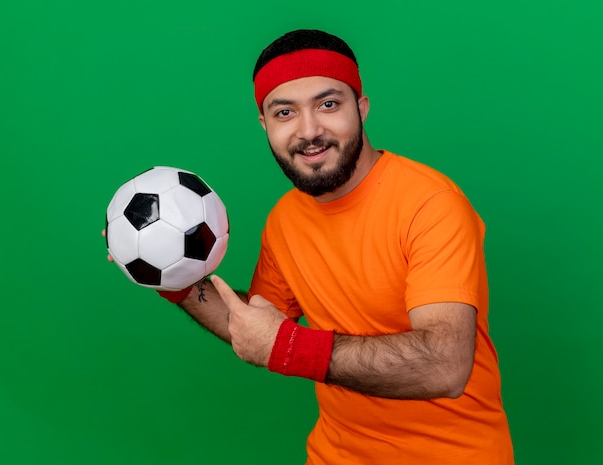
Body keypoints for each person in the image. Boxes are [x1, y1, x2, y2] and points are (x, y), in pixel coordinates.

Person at [110, 29, 514, 464]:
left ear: (361, 109)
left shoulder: (431, 205)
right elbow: (256, 328)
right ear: (265, 125)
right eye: (285, 112)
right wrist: (166, 272)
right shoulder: (285, 218)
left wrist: (290, 347)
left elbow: (445, 365)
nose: (309, 131)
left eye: (328, 104)